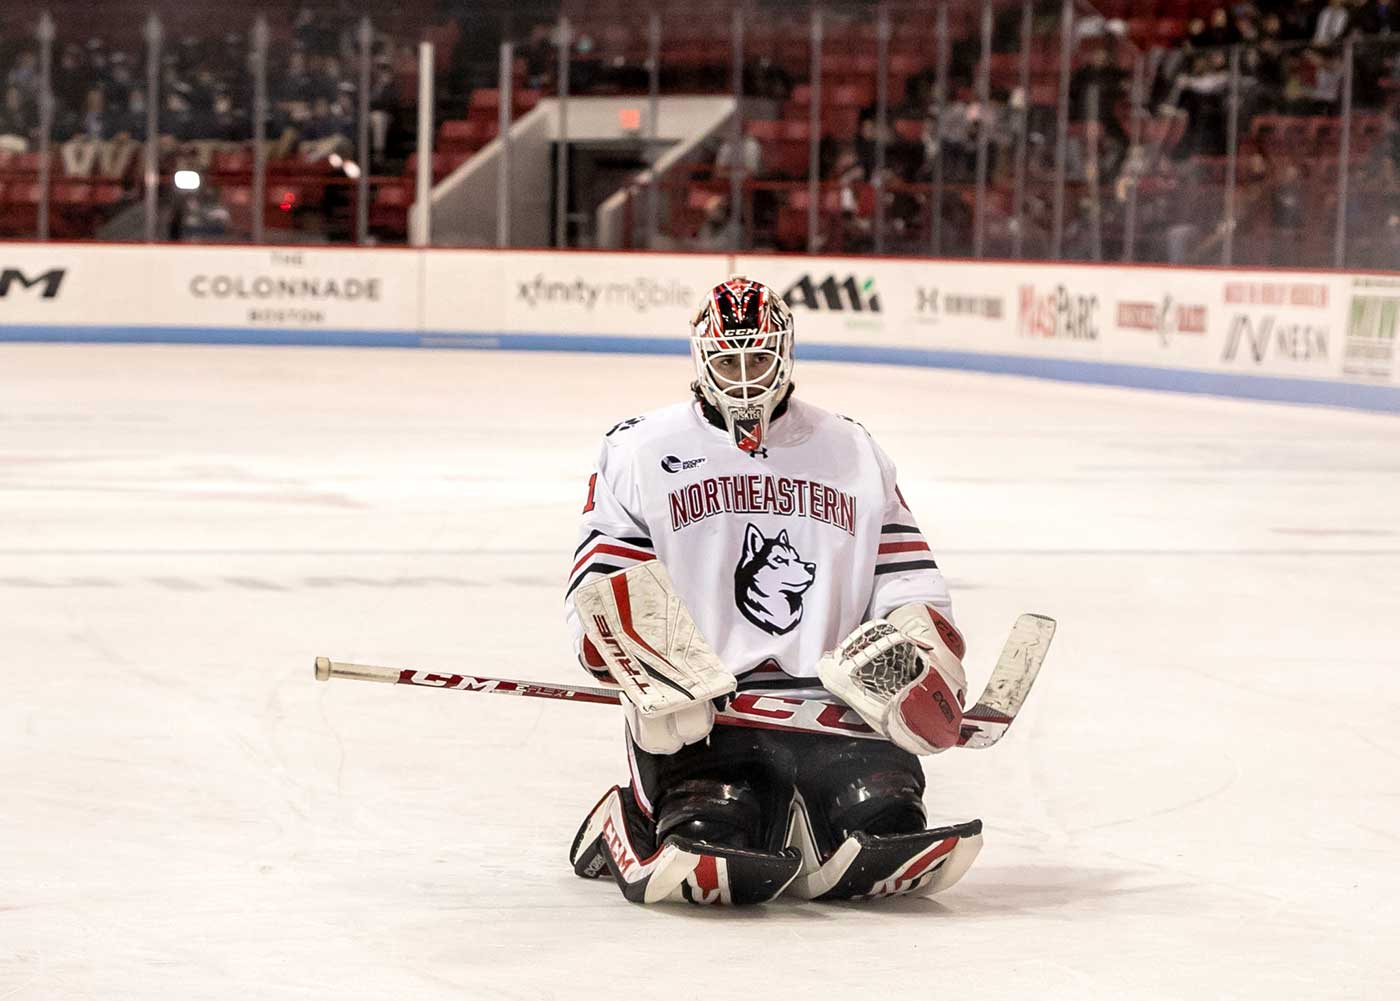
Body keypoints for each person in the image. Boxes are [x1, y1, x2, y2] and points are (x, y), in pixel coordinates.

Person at [564, 276, 980, 905]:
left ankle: (827, 814)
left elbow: (903, 569)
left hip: (838, 706)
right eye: (728, 360)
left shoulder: (852, 448)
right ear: (701, 357)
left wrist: (916, 645)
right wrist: (648, 670)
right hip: (710, 712)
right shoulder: (642, 448)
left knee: (885, 814)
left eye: (757, 358)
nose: (744, 376)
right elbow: (604, 577)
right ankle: (620, 821)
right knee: (713, 826)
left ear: (784, 353)